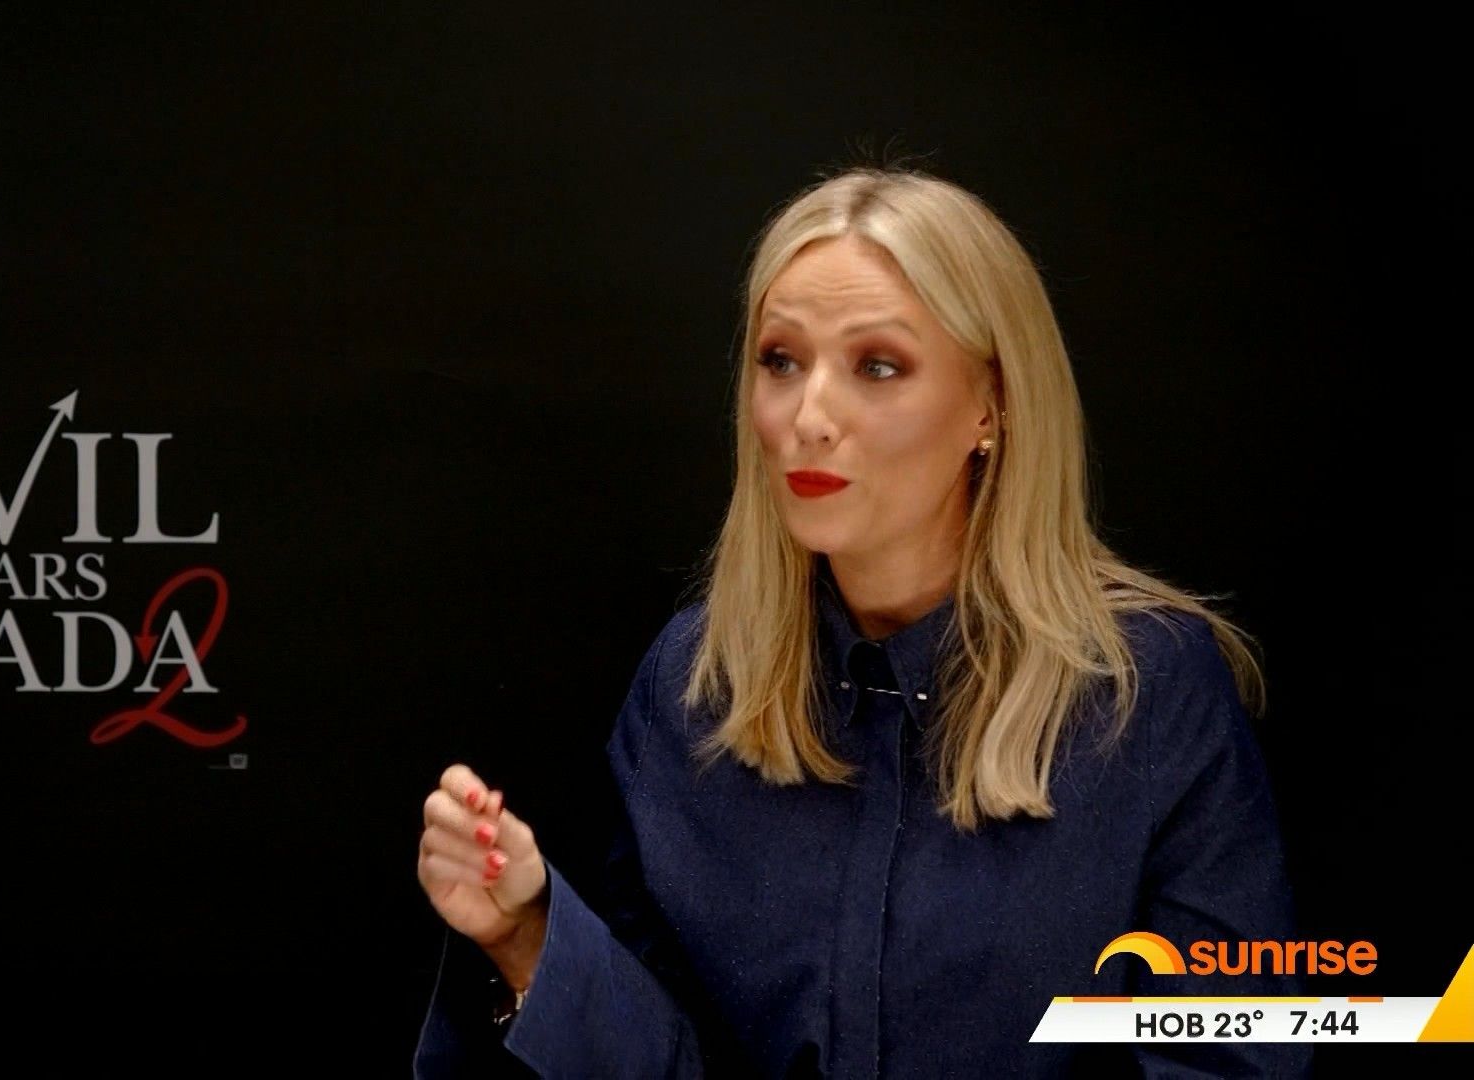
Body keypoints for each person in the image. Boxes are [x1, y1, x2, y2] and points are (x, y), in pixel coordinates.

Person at [411, 167, 1310, 1078]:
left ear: (991, 405)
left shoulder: (1147, 690)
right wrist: (526, 935)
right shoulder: (694, 684)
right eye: (781, 361)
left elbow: (1239, 1056)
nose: (810, 416)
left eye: (878, 366)